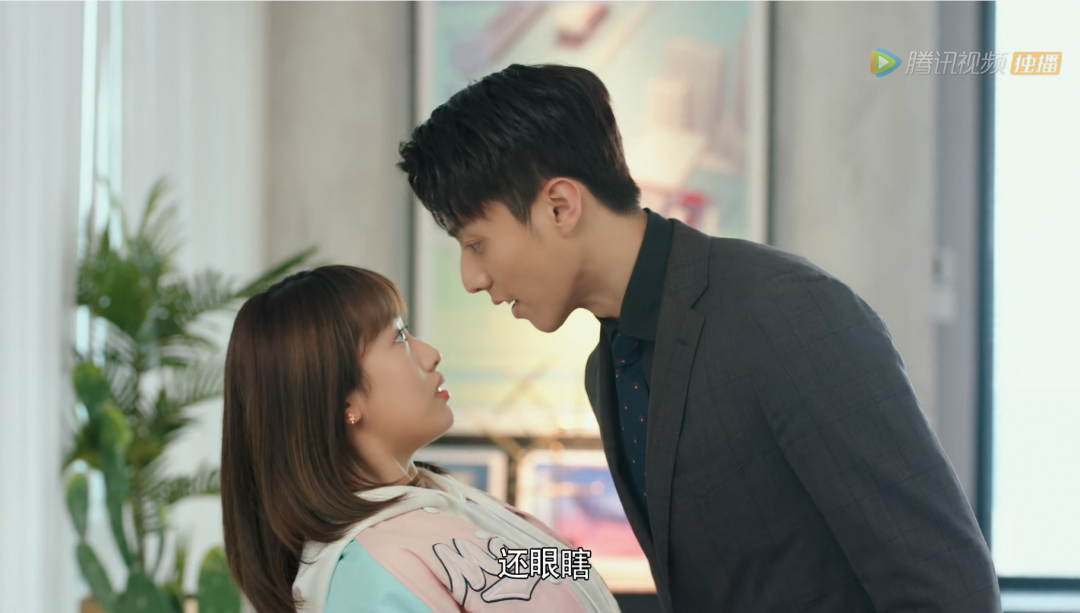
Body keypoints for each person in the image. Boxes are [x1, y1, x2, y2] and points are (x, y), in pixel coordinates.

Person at [397, 63, 1002, 612]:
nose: (472, 278)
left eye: (475, 243)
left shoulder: (785, 310)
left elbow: (950, 589)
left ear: (560, 206)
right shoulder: (606, 367)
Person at [220, 265, 621, 613]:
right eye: (399, 337)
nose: (430, 354)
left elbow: (563, 571)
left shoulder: (444, 499)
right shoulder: (367, 574)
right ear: (342, 399)